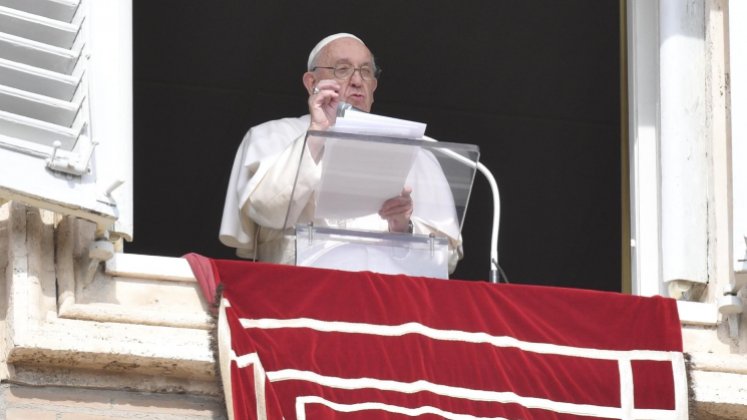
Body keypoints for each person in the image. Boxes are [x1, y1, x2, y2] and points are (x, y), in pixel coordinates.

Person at [219, 33, 463, 273]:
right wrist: (316, 135)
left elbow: (446, 259)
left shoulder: (419, 151)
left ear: (374, 86)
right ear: (311, 83)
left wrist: (403, 227)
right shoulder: (271, 136)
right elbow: (267, 211)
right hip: (300, 300)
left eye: (366, 71)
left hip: (390, 303)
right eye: (342, 69)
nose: (357, 81)